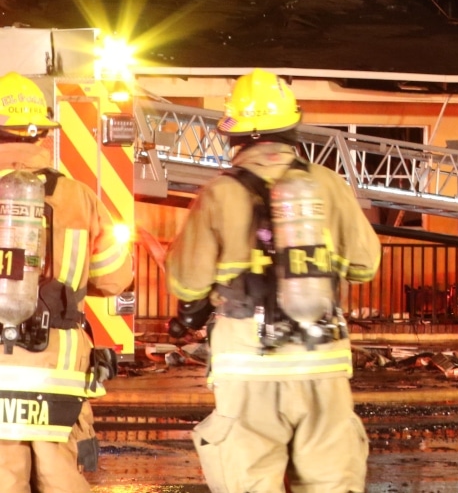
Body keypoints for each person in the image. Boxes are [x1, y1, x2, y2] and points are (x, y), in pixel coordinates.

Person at [167, 68, 380, 493]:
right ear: (290, 127)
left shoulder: (218, 193)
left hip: (248, 367)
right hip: (322, 361)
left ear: (236, 134)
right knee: (332, 484)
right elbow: (365, 265)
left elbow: (188, 283)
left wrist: (196, 304)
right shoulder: (328, 184)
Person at [0, 72, 132, 493]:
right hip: (58, 360)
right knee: (59, 473)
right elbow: (115, 277)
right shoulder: (79, 196)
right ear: (41, 133)